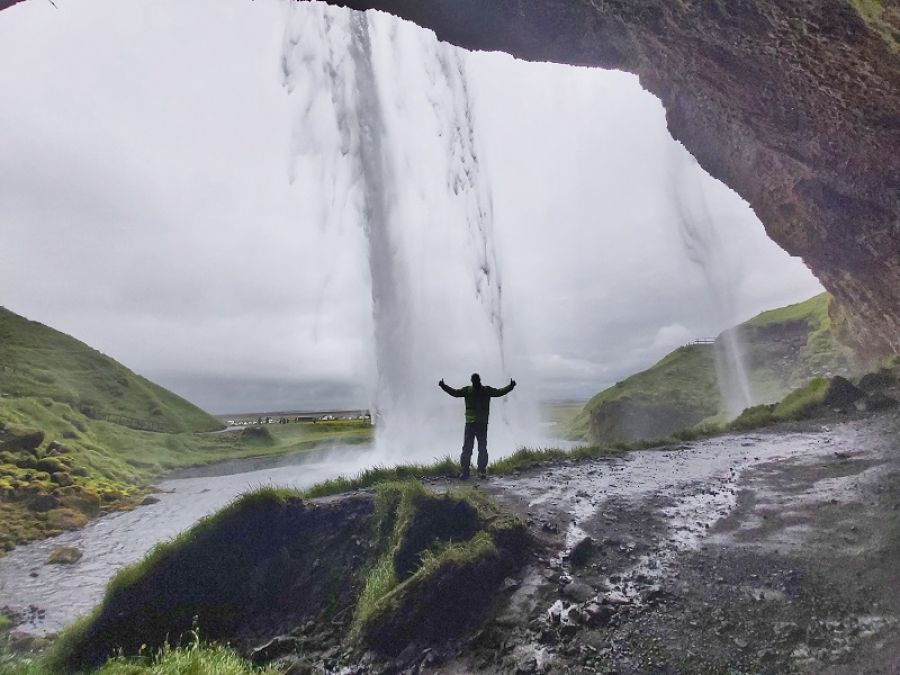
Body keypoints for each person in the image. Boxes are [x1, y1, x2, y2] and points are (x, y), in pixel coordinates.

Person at [439, 373, 516, 479]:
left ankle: (473, 472)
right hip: (477, 424)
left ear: (476, 380)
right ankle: (473, 471)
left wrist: (510, 387)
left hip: (475, 424)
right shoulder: (483, 390)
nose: (475, 382)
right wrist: (510, 387)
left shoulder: (476, 390)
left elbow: (455, 393)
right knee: (473, 448)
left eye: (476, 380)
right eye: (475, 380)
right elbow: (499, 392)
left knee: (474, 448)